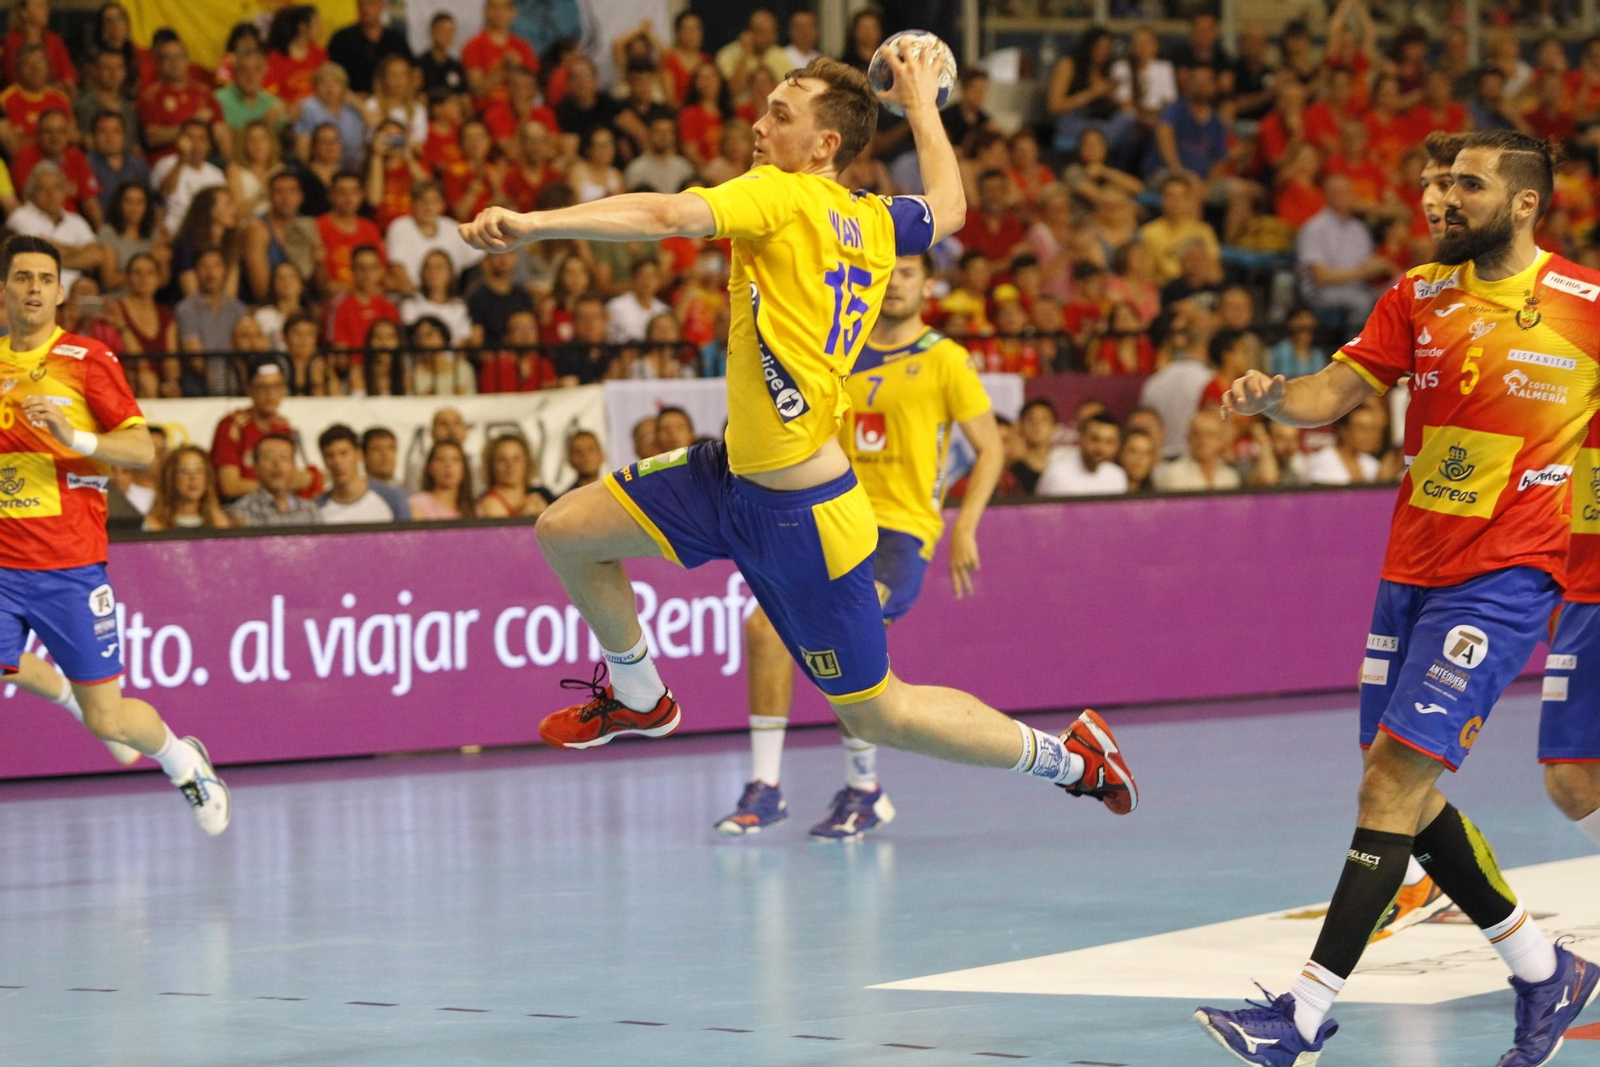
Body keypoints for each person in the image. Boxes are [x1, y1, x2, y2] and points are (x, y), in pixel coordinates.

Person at [461, 53, 1137, 811]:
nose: (758, 123)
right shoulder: (877, 221)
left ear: (823, 148)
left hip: (804, 518)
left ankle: (1071, 759)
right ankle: (640, 695)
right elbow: (949, 208)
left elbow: (663, 217)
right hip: (730, 476)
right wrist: (922, 105)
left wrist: (534, 226)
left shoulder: (780, 195)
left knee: (880, 712)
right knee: (566, 530)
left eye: (782, 115)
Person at [1195, 132, 1600, 1067]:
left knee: (1390, 781)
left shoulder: (1585, 306)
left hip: (1509, 575)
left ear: (1526, 201)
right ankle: (1545, 969)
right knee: (1402, 792)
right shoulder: (1417, 292)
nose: (1438, 197)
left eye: (1465, 184)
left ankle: (1300, 1013)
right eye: (1434, 182)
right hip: (1411, 567)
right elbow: (1334, 391)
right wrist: (1272, 397)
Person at [716, 251, 1004, 839]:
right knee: (761, 629)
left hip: (901, 531)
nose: (896, 282)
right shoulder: (840, 352)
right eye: (888, 272)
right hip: (831, 514)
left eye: (909, 273)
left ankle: (864, 789)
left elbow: (992, 448)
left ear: (928, 285)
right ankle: (766, 788)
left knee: (847, 638)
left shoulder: (945, 359)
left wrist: (966, 526)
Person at [0, 234, 229, 832]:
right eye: (22, 277)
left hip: (69, 566)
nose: (33, 289)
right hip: (1, 563)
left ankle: (183, 760)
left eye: (44, 280)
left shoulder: (86, 359)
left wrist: (74, 439)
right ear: (3, 288)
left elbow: (140, 448)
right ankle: (69, 697)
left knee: (109, 720)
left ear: (58, 293)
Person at [211, 362, 317, 501]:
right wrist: (279, 486)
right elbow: (229, 486)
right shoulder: (232, 425)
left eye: (276, 387)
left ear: (284, 390)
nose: (270, 394)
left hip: (277, 506)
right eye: (262, 387)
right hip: (238, 506)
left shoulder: (283, 427)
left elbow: (290, 476)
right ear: (249, 390)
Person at [316, 424, 408, 523]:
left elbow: (410, 536)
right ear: (323, 460)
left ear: (359, 455)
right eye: (330, 456)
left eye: (344, 453)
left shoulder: (391, 497)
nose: (337, 462)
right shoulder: (317, 508)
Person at [228, 434, 322, 527]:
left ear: (294, 466)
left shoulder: (310, 511)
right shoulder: (241, 512)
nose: (277, 463)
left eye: (284, 457)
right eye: (269, 457)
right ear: (255, 467)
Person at [327, 0, 412, 96]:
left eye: (371, 4)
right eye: (362, 5)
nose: (366, 9)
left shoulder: (396, 39)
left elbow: (412, 71)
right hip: (348, 102)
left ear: (382, 7)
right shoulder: (342, 38)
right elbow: (331, 74)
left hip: (390, 101)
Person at [1037, 411, 1128, 496]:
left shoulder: (1117, 476)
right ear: (1082, 438)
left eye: (1109, 442)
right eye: (1095, 439)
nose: (1101, 448)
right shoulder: (1057, 473)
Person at [143, 444, 230, 531]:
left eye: (199, 470)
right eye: (185, 471)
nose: (193, 477)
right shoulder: (154, 525)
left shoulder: (218, 522)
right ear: (171, 478)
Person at [478, 434, 552, 518]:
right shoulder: (489, 503)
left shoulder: (538, 497)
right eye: (502, 460)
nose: (510, 465)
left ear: (527, 463)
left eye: (516, 459)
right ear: (491, 466)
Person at [409, 440, 473, 520]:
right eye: (441, 459)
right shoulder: (418, 504)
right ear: (429, 467)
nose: (448, 465)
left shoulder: (475, 508)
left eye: (455, 460)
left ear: (464, 468)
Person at [562, 429, 604, 494]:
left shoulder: (616, 494)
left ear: (602, 456)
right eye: (577, 451)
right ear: (570, 460)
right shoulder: (564, 501)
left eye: (590, 449)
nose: (585, 455)